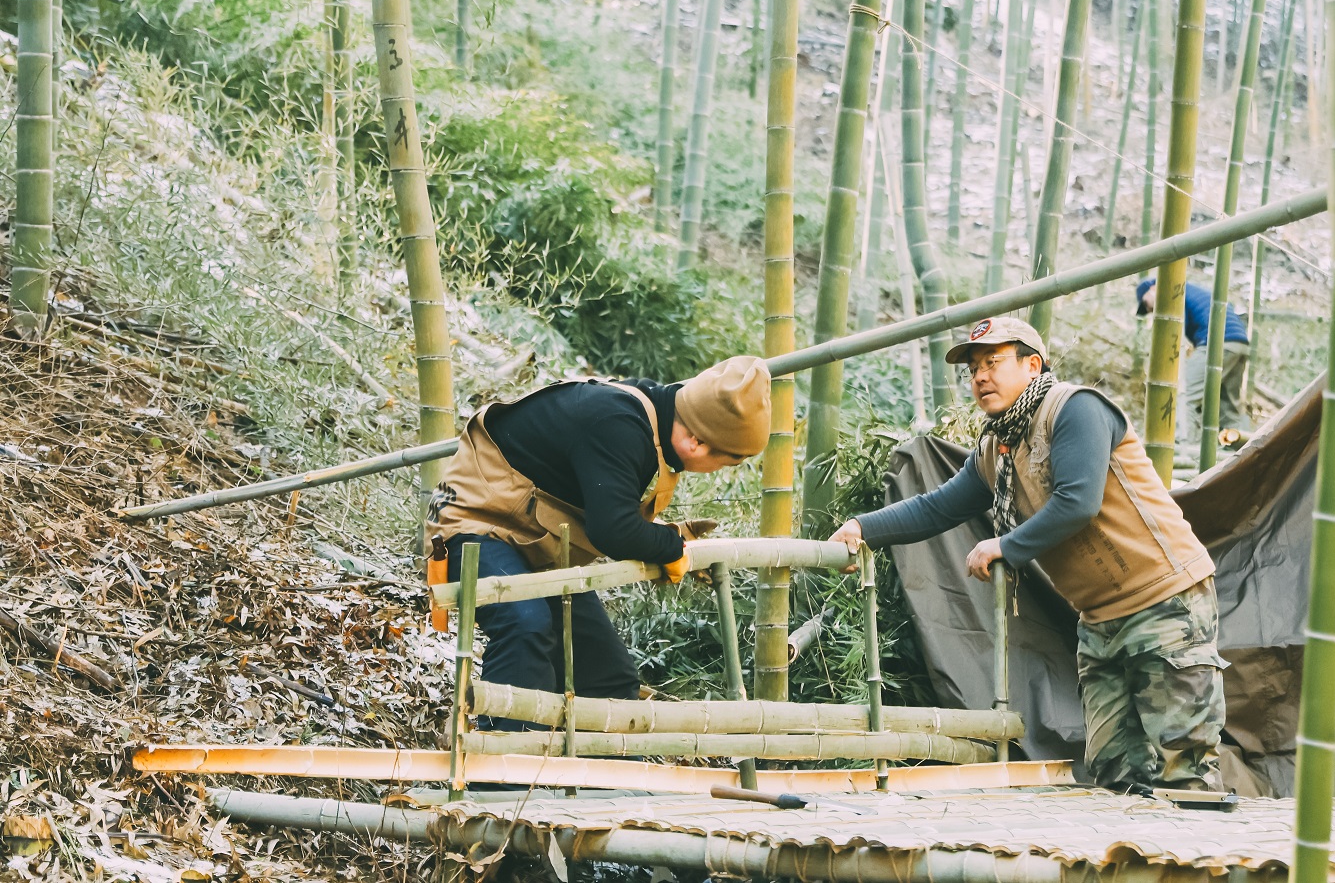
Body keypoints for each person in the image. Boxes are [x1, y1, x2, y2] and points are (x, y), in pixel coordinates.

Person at [829, 317, 1226, 792]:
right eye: (972, 368)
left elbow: (1077, 501)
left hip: (1165, 602)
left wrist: (1006, 546)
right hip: (1100, 621)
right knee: (1114, 773)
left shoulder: (1074, 409)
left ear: (1032, 364)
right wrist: (863, 529)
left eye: (992, 362)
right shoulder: (998, 448)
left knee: (1184, 767)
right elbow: (938, 508)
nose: (979, 377)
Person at [426, 356, 771, 728]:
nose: (717, 470)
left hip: (537, 545)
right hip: (472, 527)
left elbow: (612, 513)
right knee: (526, 625)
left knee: (604, 672)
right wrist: (671, 547)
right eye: (724, 462)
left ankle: (612, 784)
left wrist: (669, 538)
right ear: (696, 442)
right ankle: (504, 777)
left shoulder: (653, 416)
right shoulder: (618, 423)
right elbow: (614, 530)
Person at [1135, 278, 1252, 442]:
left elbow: (1175, 337)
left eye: (1146, 303)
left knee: (1184, 394)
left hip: (1218, 343)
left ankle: (1181, 446)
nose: (1149, 309)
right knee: (1228, 407)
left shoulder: (1172, 289)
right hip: (1239, 343)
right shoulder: (1189, 289)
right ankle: (1243, 452)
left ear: (1153, 288)